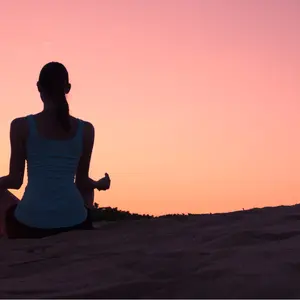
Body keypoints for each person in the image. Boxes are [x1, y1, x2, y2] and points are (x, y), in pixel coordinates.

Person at [0, 62, 111, 239]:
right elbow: (82, 182)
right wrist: (98, 184)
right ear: (68, 88)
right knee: (88, 189)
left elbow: (14, 180)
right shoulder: (86, 130)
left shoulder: (21, 126)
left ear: (38, 87)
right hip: (75, 222)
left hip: (30, 225)